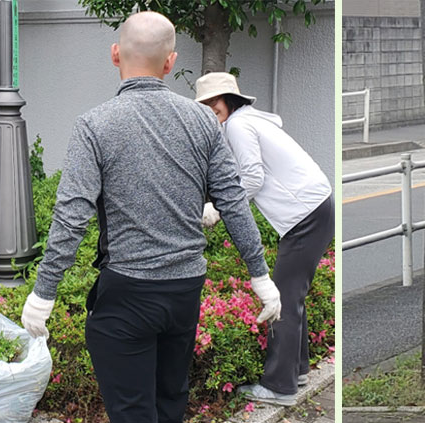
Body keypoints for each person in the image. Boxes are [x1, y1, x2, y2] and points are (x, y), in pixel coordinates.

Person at [19, 12, 281, 422]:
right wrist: (261, 276)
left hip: (128, 293)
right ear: (170, 62)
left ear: (115, 55)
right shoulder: (203, 121)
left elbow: (72, 216)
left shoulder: (94, 125)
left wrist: (43, 294)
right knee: (170, 402)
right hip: (185, 291)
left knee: (132, 412)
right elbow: (232, 199)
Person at [194, 72, 334, 406]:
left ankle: (279, 387)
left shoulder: (239, 127)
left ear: (230, 100)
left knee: (282, 300)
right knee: (291, 295)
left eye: (216, 104)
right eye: (206, 106)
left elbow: (252, 177)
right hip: (314, 208)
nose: (212, 111)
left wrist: (219, 209)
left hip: (305, 215)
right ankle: (296, 371)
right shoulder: (250, 120)